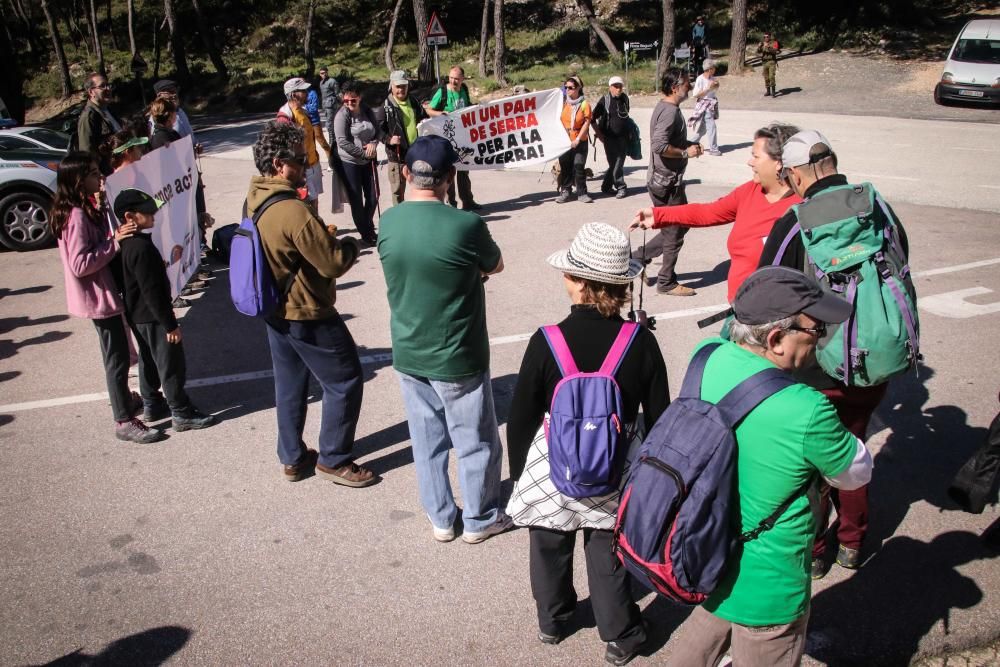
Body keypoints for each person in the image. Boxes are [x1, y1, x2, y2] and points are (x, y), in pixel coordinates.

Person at [668, 265, 872, 666]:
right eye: (816, 331)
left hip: (705, 546)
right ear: (777, 338)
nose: (820, 341)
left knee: (708, 629)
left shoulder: (704, 357)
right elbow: (856, 472)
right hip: (769, 580)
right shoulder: (806, 407)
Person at [506, 222, 668, 665]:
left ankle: (553, 621)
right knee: (607, 545)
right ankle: (620, 632)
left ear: (579, 283)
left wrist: (521, 470)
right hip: (613, 463)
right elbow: (658, 415)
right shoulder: (640, 342)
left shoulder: (547, 341)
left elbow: (521, 415)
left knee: (548, 541)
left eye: (569, 273)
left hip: (553, 463)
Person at [758, 130, 910, 579]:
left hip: (820, 366)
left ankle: (817, 549)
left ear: (796, 172)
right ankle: (852, 542)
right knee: (854, 447)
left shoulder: (797, 221)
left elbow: (769, 287)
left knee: (814, 463)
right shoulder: (878, 206)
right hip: (877, 358)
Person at [377, 135, 509, 544]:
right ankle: (480, 517)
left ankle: (440, 517)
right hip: (457, 352)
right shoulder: (465, 223)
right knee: (475, 440)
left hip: (409, 348)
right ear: (450, 177)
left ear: (405, 173)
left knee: (427, 440)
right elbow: (497, 264)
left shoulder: (390, 220)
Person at [248, 120, 376, 487]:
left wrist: (318, 236)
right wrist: (350, 244)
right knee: (346, 379)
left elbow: (288, 247)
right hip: (306, 311)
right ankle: (334, 458)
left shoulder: (255, 196)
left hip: (274, 310)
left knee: (289, 385)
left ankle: (292, 457)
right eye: (299, 161)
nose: (305, 166)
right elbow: (332, 262)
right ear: (277, 164)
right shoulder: (292, 210)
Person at [49, 152, 160, 443]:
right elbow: (80, 264)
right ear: (78, 179)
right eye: (95, 174)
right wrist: (114, 242)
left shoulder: (84, 207)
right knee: (117, 359)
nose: (101, 178)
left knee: (119, 354)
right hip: (96, 298)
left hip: (103, 294)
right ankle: (123, 420)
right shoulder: (74, 215)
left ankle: (124, 400)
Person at [629, 123, 800, 303]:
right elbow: (707, 212)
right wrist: (658, 215)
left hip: (776, 314)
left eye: (756, 156)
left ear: (779, 163)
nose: (750, 162)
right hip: (741, 309)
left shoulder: (801, 208)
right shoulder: (749, 191)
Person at [113, 188, 216, 432]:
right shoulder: (141, 248)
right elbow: (153, 293)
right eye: (147, 211)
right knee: (170, 364)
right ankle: (181, 412)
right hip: (153, 316)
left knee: (149, 360)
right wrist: (170, 324)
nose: (154, 214)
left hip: (137, 315)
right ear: (129, 216)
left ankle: (151, 403)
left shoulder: (127, 244)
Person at [635, 67, 702, 297]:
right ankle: (666, 281)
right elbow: (659, 146)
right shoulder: (669, 112)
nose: (689, 88)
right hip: (666, 183)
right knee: (674, 231)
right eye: (686, 85)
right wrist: (685, 153)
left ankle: (637, 258)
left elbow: (668, 140)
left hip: (667, 180)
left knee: (679, 225)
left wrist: (688, 144)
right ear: (675, 87)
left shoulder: (668, 108)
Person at [424, 66, 482, 210]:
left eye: (457, 78)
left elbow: (467, 107)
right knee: (450, 171)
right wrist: (440, 114)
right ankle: (452, 204)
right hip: (446, 138)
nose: (453, 81)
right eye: (451, 77)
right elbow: (428, 110)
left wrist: (476, 108)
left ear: (462, 78)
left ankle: (468, 201)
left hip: (462, 136)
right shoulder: (442, 92)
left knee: (464, 169)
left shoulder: (464, 90)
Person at [334, 80, 381, 245]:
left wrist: (374, 143)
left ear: (360, 97)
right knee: (357, 201)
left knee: (374, 197)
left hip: (368, 161)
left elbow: (378, 131)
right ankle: (366, 233)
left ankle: (367, 225)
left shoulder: (367, 110)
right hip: (349, 162)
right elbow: (342, 142)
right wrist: (362, 153)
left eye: (352, 100)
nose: (349, 103)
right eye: (345, 100)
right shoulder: (342, 115)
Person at [277, 77, 331, 210]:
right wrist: (300, 170)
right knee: (304, 202)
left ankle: (316, 228)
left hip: (313, 163)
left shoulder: (303, 111)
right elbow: (285, 149)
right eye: (303, 90)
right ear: (294, 94)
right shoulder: (285, 118)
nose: (307, 93)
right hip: (301, 168)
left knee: (314, 200)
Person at [381, 70, 428, 205]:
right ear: (392, 86)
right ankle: (400, 221)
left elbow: (423, 118)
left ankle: (418, 217)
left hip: (417, 154)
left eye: (404, 86)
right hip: (397, 156)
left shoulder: (413, 101)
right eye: (398, 86)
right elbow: (378, 130)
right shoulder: (386, 106)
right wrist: (388, 139)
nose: (401, 89)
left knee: (421, 189)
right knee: (398, 192)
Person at [555, 75, 593, 205]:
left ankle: (582, 193)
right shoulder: (562, 104)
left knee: (578, 166)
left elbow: (587, 123)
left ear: (578, 89)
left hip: (580, 141)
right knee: (565, 167)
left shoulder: (584, 105)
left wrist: (577, 139)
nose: (567, 90)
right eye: (566, 88)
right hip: (564, 141)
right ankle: (565, 191)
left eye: (571, 88)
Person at [592, 76, 630, 199]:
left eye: (620, 86)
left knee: (616, 164)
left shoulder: (625, 98)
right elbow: (592, 119)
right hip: (609, 138)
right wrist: (599, 134)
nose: (619, 89)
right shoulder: (604, 100)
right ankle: (621, 187)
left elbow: (626, 116)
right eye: (616, 86)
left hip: (624, 137)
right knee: (616, 163)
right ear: (610, 87)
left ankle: (606, 186)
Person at [77, 73, 123, 175]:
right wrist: (99, 176)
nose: (108, 89)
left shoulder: (109, 109)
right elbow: (87, 153)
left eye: (108, 85)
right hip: (110, 174)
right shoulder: (89, 117)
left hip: (123, 167)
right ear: (91, 92)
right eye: (102, 86)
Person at [688, 59, 722, 156]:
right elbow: (696, 95)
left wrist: (716, 85)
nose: (715, 69)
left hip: (711, 104)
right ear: (709, 69)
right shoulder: (700, 79)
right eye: (713, 68)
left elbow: (714, 90)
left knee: (703, 129)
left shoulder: (712, 78)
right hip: (704, 105)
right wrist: (708, 88)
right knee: (711, 126)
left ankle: (690, 143)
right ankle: (714, 149)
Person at [318, 66, 342, 145]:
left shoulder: (332, 81)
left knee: (329, 123)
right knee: (330, 123)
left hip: (332, 105)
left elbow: (338, 93)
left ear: (327, 72)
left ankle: (332, 141)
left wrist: (343, 102)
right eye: (322, 73)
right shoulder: (321, 83)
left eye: (325, 72)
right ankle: (334, 140)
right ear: (320, 74)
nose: (324, 74)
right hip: (325, 106)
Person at [758, 32, 780, 97]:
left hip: (771, 62)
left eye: (767, 37)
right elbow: (758, 52)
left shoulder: (774, 43)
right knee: (766, 77)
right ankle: (768, 91)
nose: (766, 38)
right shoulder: (762, 43)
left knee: (771, 77)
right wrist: (759, 47)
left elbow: (775, 51)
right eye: (764, 37)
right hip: (764, 62)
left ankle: (773, 92)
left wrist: (768, 47)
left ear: (770, 37)